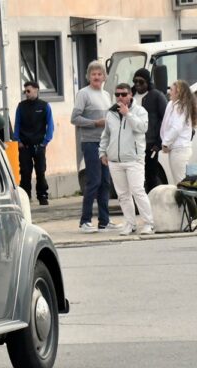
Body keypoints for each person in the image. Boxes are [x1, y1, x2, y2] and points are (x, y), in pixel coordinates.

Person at [99, 83, 155, 236]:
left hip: (134, 159)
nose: (120, 97)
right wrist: (102, 152)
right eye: (117, 94)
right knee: (123, 194)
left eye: (123, 94)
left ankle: (149, 223)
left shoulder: (140, 111)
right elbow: (106, 135)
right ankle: (130, 224)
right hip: (115, 160)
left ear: (130, 95)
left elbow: (142, 128)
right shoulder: (110, 113)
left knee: (138, 191)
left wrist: (127, 114)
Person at [71, 60, 118, 233]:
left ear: (104, 76)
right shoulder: (83, 94)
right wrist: (95, 123)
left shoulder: (106, 95)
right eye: (93, 74)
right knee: (94, 181)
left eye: (99, 74)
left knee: (106, 182)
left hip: (105, 144)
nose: (96, 77)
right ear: (88, 77)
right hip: (90, 142)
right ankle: (85, 221)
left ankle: (104, 221)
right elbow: (74, 118)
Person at [14, 81, 54, 205]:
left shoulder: (44, 106)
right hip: (24, 145)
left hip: (39, 145)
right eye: (25, 91)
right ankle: (26, 196)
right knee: (25, 172)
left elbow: (50, 126)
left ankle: (42, 195)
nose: (26, 93)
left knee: (40, 171)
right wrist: (18, 141)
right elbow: (17, 124)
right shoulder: (21, 106)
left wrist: (45, 142)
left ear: (36, 90)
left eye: (28, 91)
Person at [132, 68, 168, 193]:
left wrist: (159, 143)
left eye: (141, 82)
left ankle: (153, 203)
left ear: (148, 82)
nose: (137, 84)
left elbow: (166, 120)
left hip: (150, 144)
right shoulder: (130, 95)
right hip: (133, 145)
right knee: (136, 177)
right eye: (135, 81)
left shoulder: (157, 96)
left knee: (151, 176)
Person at [160, 79, 197, 185]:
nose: (168, 92)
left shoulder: (181, 107)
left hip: (179, 150)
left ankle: (186, 202)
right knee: (180, 182)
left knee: (181, 183)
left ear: (178, 92)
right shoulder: (174, 105)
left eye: (171, 89)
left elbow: (176, 128)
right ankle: (184, 202)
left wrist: (165, 143)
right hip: (176, 149)